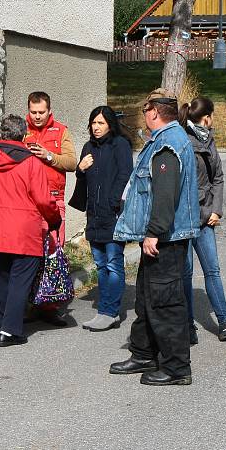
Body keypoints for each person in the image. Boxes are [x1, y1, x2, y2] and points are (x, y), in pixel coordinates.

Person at [109, 89, 199, 386]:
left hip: (166, 239)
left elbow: (165, 194)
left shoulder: (169, 144)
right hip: (160, 236)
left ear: (154, 112)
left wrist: (154, 232)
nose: (143, 113)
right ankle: (144, 353)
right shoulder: (162, 141)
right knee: (147, 297)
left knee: (165, 302)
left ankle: (176, 368)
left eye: (145, 107)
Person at [0, 115, 62, 347]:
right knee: (20, 280)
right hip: (23, 231)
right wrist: (54, 220)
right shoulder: (31, 162)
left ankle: (4, 324)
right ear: (24, 135)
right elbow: (43, 199)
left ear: (2, 132)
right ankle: (9, 331)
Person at [179, 97, 226, 344]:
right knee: (186, 273)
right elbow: (182, 186)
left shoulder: (207, 138)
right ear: (207, 116)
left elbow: (218, 177)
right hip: (184, 219)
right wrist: (203, 212)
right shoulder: (183, 141)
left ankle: (225, 322)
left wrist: (216, 210)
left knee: (213, 270)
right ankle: (186, 326)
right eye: (213, 116)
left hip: (205, 216)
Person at [74, 106, 133, 332]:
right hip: (94, 214)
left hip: (113, 214)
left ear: (110, 124)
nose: (96, 127)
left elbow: (126, 173)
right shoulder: (88, 147)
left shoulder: (120, 145)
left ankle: (110, 311)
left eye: (100, 123)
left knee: (113, 263)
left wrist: (113, 201)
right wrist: (81, 168)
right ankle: (105, 310)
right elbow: (82, 178)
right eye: (93, 123)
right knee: (100, 265)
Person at [23, 91, 77, 326]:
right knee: (30, 253)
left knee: (54, 253)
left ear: (49, 110)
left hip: (54, 200)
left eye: (41, 112)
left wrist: (48, 155)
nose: (37, 117)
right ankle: (30, 303)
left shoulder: (61, 130)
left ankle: (50, 306)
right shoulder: (22, 132)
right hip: (28, 201)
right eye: (33, 112)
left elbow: (71, 162)